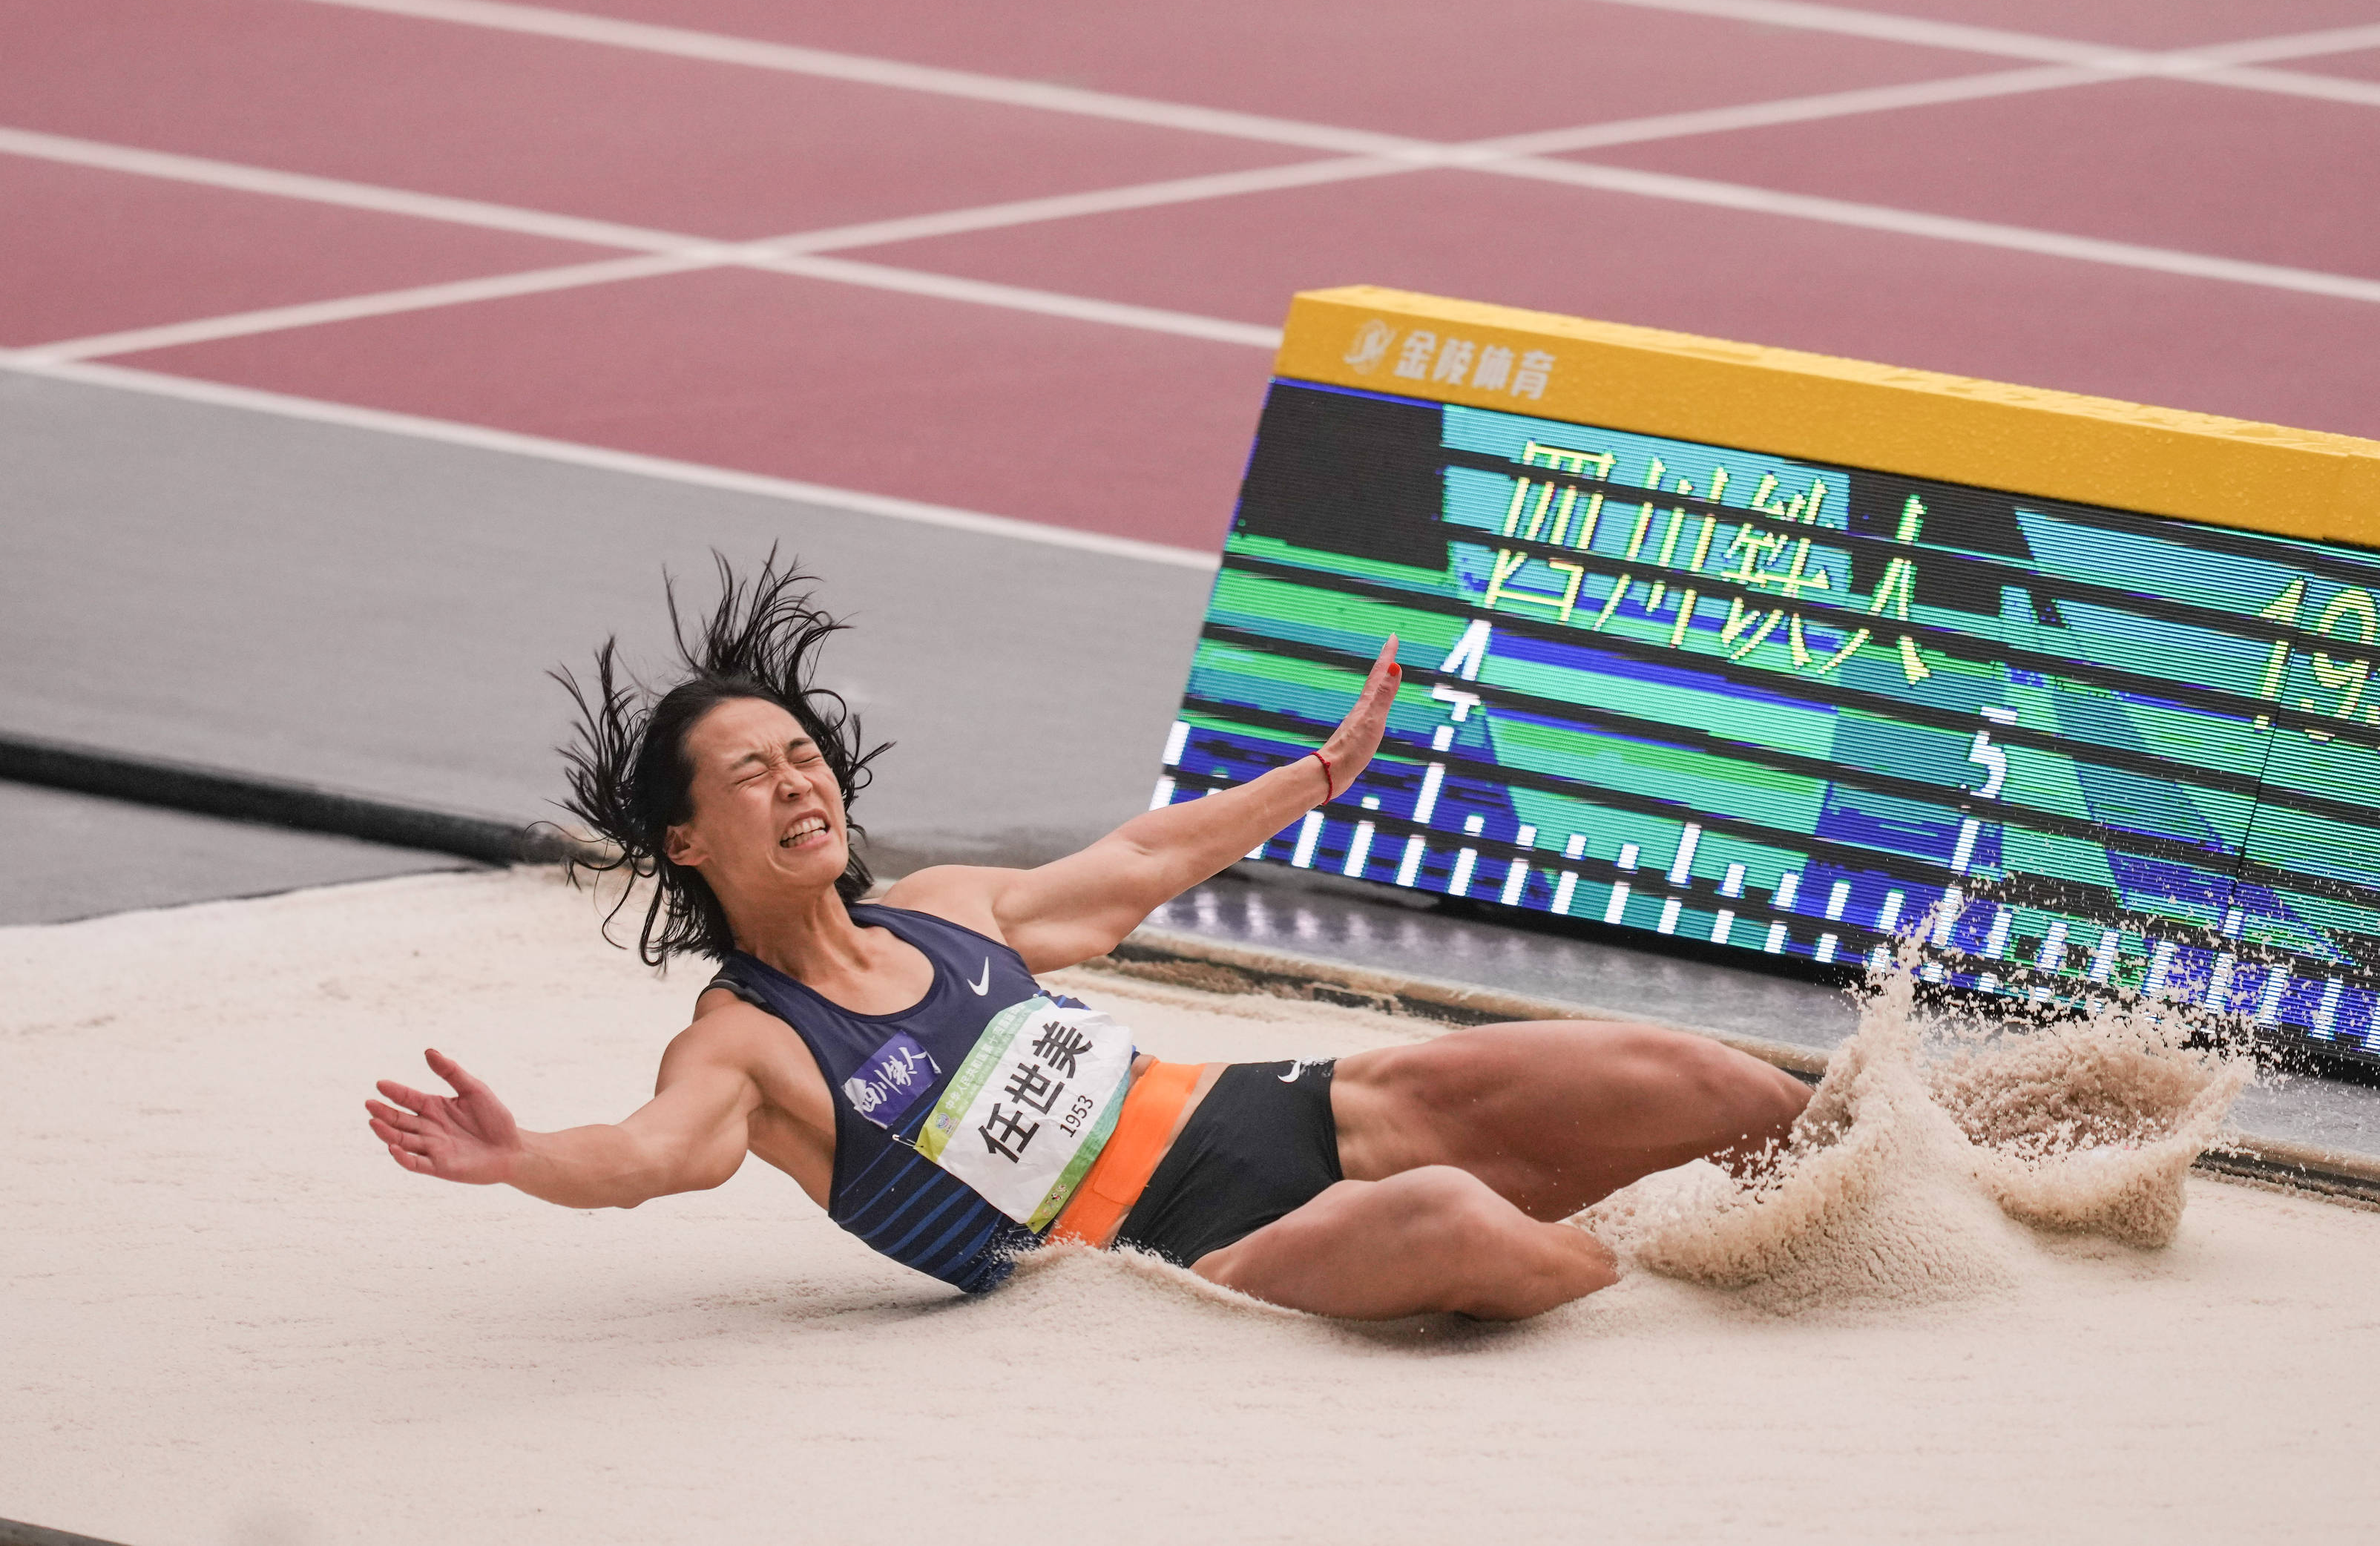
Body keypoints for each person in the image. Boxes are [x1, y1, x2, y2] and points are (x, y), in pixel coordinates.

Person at [366, 558, 1811, 1320]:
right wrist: (520, 1158)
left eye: (803, 753)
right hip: (1178, 1257)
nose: (797, 779)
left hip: (1285, 1112)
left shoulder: (941, 909)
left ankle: (1922, 1190)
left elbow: (1133, 864)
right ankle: (1664, 1297)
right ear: (686, 841)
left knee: (1691, 1078)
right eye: (752, 772)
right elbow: (649, 1157)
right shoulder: (743, 1045)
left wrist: (1316, 776)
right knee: (1454, 1225)